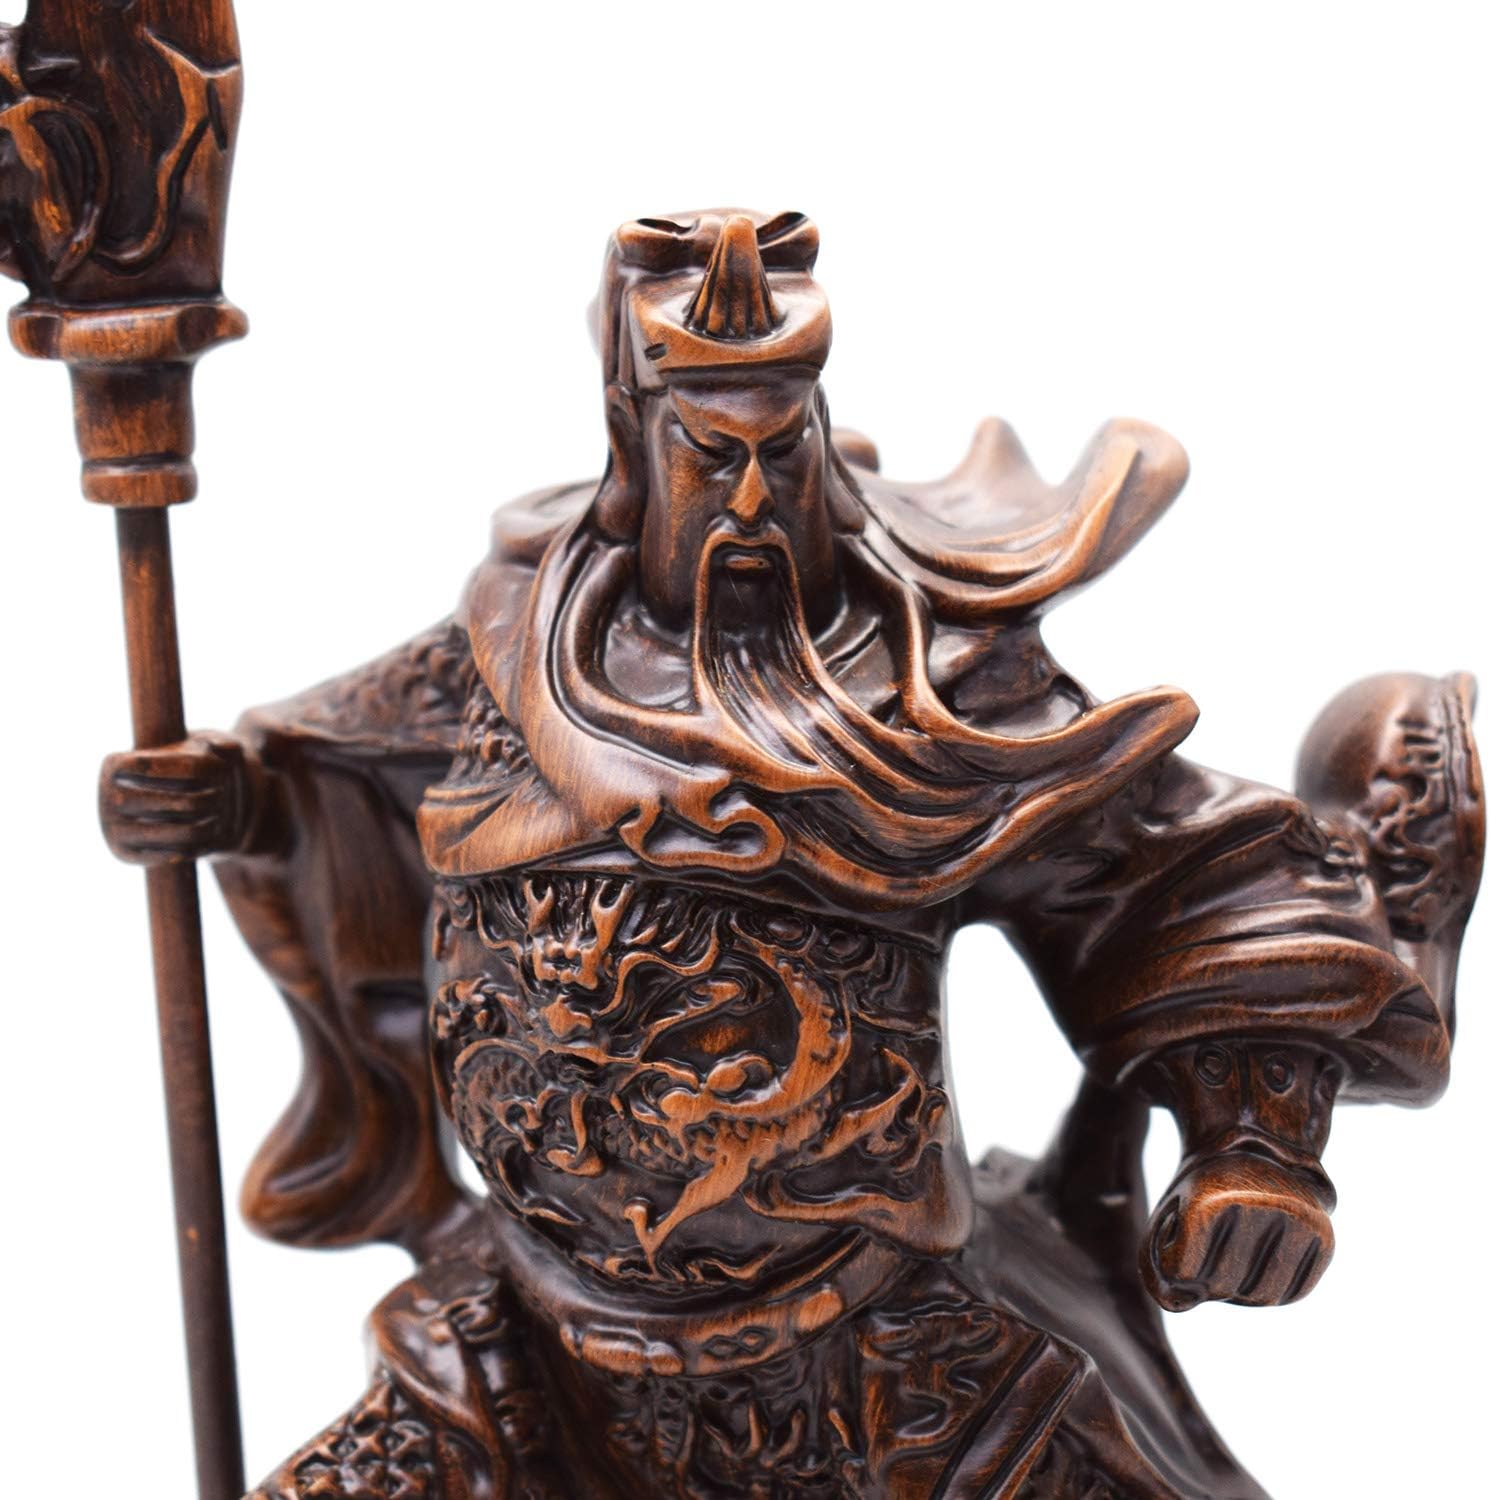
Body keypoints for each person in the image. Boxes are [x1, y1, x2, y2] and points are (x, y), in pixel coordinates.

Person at [101, 210, 1482, 1499]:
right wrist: (229, 800)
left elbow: (1172, 879)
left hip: (888, 1366)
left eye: (785, 448)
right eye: (712, 455)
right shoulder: (504, 662)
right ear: (635, 444)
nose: (754, 497)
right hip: (527, 1348)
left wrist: (1254, 1144)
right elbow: (330, 777)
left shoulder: (928, 691)